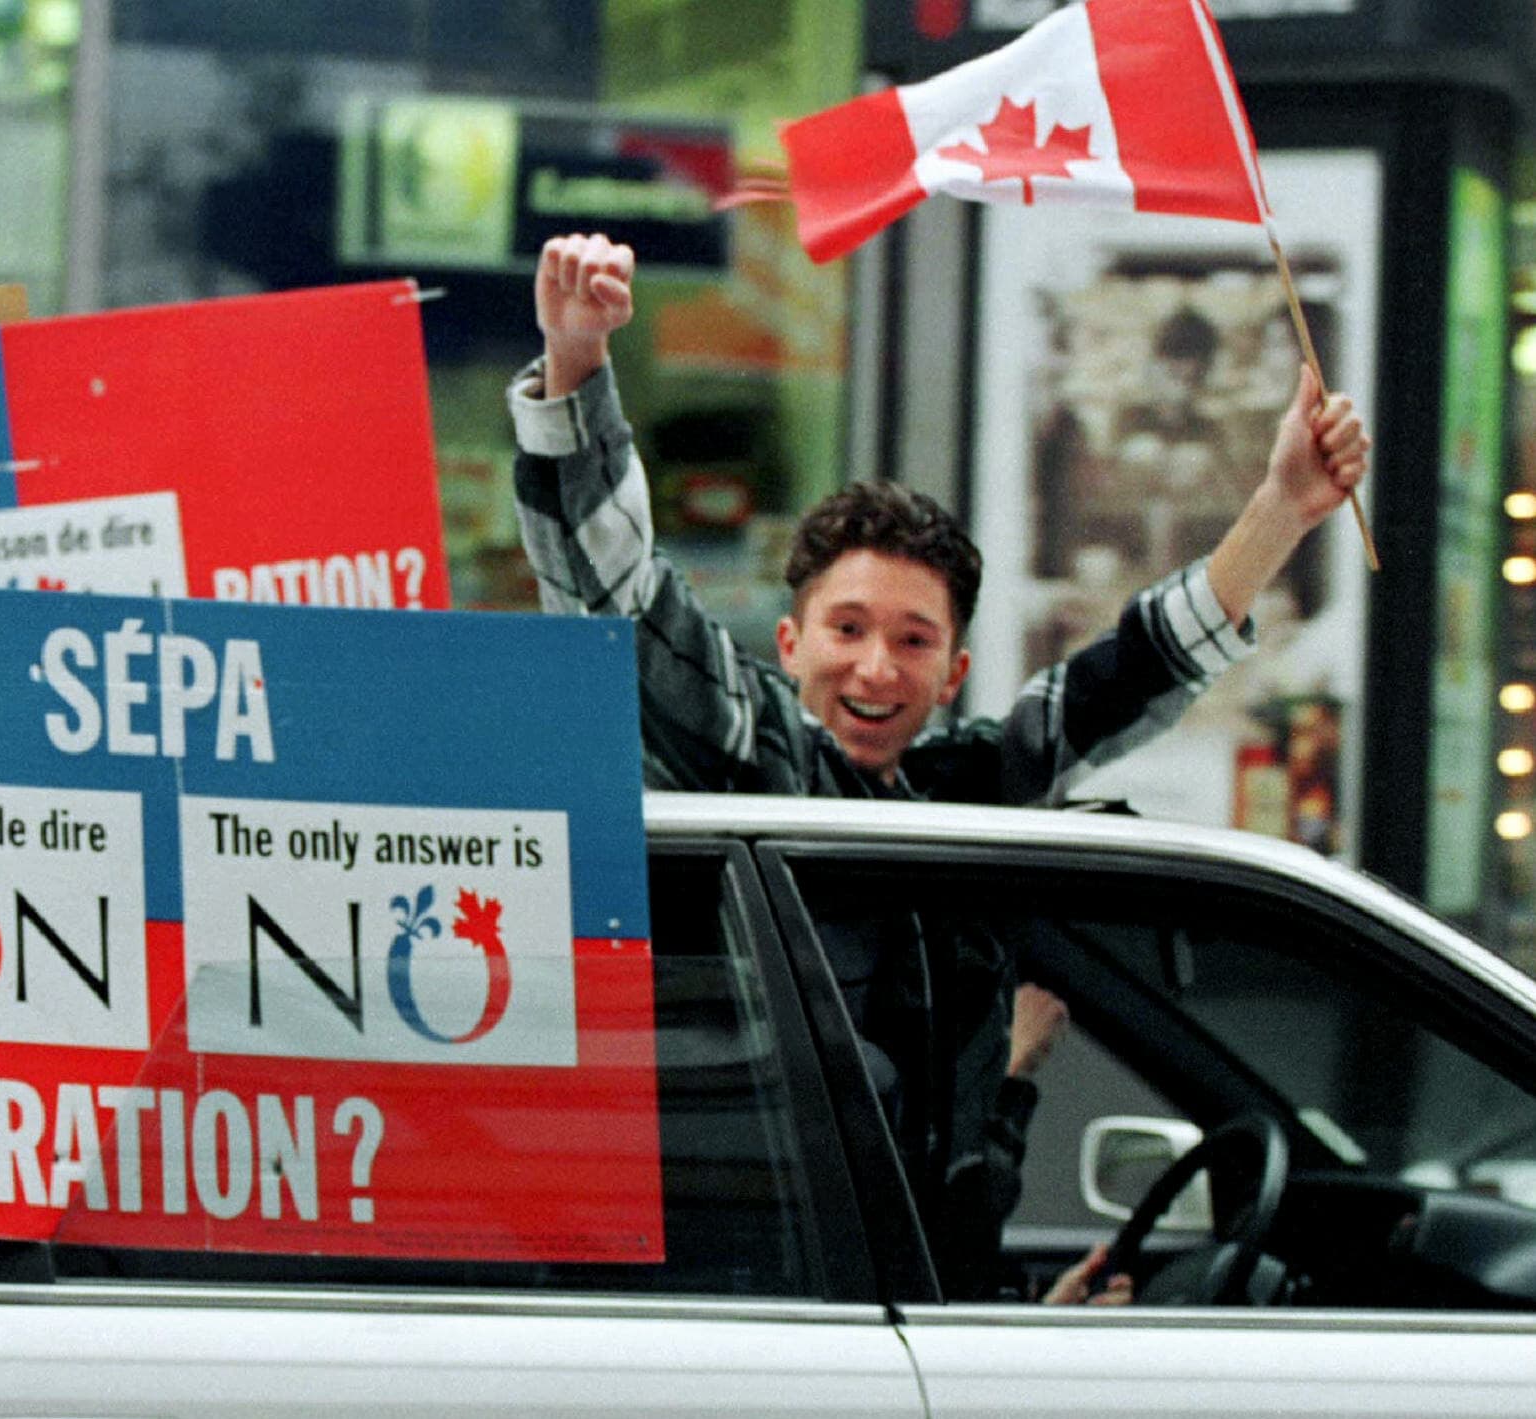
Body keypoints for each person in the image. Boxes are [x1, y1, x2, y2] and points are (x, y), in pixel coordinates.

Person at [508, 232, 1368, 1297]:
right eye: (847, 629)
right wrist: (576, 359)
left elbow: (1119, 681)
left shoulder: (960, 806)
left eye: (912, 640)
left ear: (954, 669)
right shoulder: (761, 764)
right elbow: (617, 597)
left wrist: (1282, 508)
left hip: (909, 1319)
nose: (877, 667)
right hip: (752, 1323)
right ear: (788, 646)